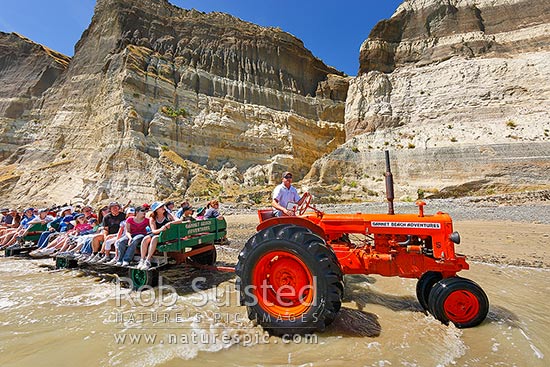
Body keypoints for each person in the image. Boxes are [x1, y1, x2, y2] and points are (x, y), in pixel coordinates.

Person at [138, 201, 180, 270]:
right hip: (158, 233)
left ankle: (148, 260)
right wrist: (161, 229)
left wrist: (170, 223)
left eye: (163, 206)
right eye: (161, 207)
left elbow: (179, 220)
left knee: (154, 238)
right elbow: (154, 231)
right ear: (156, 210)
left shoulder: (168, 215)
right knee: (145, 239)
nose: (163, 208)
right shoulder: (152, 218)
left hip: (166, 235)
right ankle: (142, 259)